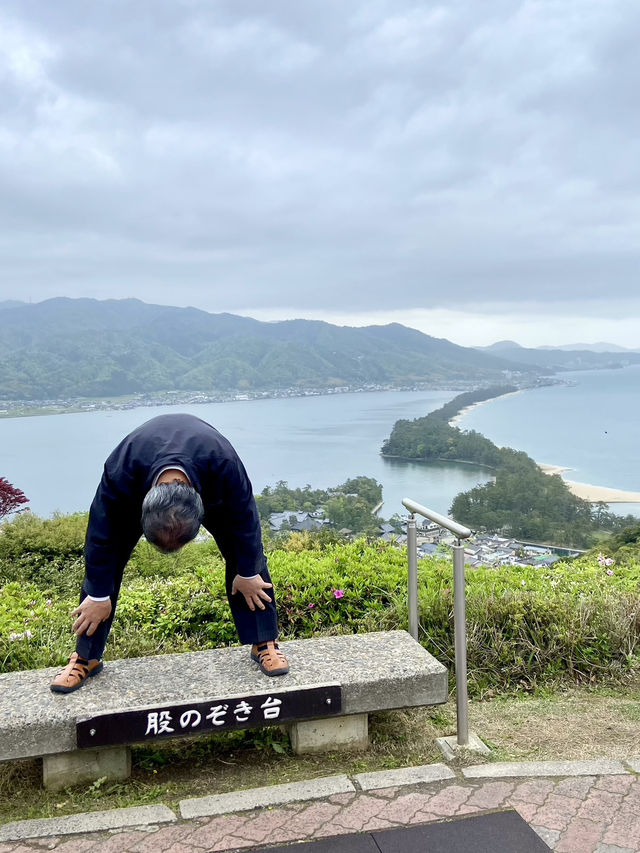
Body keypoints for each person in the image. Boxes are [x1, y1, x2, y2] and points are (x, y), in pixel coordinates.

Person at [50, 413, 289, 693]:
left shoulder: (222, 461)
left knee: (248, 563)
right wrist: (99, 595)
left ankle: (264, 641)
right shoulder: (122, 469)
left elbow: (246, 522)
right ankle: (85, 657)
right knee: (101, 579)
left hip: (210, 479)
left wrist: (247, 572)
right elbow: (100, 537)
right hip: (135, 480)